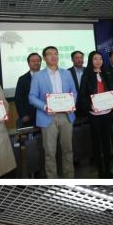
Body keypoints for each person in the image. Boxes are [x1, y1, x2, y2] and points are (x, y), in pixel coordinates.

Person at [29, 46, 77, 178]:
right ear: (44, 58)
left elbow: (74, 92)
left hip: (66, 116)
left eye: (56, 53)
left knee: (68, 150)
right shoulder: (38, 76)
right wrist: (45, 107)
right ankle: (53, 180)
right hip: (47, 117)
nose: (54, 56)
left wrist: (71, 104)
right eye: (50, 54)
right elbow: (32, 97)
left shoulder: (66, 73)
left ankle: (69, 178)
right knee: (50, 152)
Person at [78, 50, 113, 178]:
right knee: (97, 142)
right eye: (95, 59)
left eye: (100, 58)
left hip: (107, 112)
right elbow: (82, 96)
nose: (98, 61)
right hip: (94, 114)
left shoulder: (107, 74)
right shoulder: (86, 75)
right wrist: (90, 107)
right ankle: (101, 170)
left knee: (107, 142)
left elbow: (112, 91)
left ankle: (108, 169)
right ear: (90, 61)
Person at [14, 53, 41, 128]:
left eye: (38, 61)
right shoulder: (22, 79)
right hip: (30, 116)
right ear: (28, 63)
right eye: (33, 61)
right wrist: (23, 115)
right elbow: (18, 99)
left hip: (46, 114)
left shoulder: (47, 76)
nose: (36, 63)